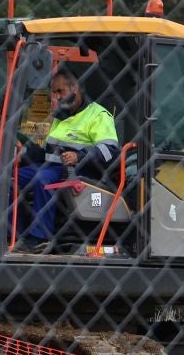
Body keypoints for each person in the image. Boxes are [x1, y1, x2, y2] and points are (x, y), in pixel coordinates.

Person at [14, 72, 119, 250]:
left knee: (42, 179)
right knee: (11, 177)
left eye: (60, 91)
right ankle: (12, 234)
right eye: (54, 92)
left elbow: (110, 150)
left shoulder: (98, 115)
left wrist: (80, 156)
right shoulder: (59, 116)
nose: (57, 96)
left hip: (82, 170)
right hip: (52, 167)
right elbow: (43, 151)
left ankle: (40, 237)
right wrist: (22, 155)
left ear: (75, 88)